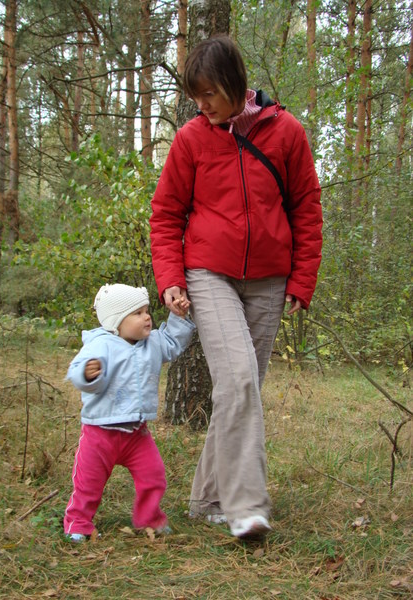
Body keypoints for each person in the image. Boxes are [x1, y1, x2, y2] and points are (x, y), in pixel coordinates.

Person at [149, 35, 322, 539]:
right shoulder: (191, 140)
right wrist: (171, 281)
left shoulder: (286, 133)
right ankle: (247, 506)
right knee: (241, 380)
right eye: (195, 98)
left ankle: (206, 498)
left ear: (234, 83)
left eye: (208, 95)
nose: (201, 106)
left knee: (238, 388)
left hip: (269, 279)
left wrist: (302, 279)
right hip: (209, 274)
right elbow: (165, 216)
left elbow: (307, 210)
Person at [63, 283, 195, 542]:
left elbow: (172, 342)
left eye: (146, 311)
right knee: (88, 484)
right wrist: (86, 373)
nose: (147, 317)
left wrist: (178, 317)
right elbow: (76, 368)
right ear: (116, 323)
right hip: (100, 433)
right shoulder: (100, 345)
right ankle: (77, 522)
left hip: (136, 433)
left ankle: (149, 517)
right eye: (137, 313)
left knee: (153, 475)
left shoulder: (153, 343)